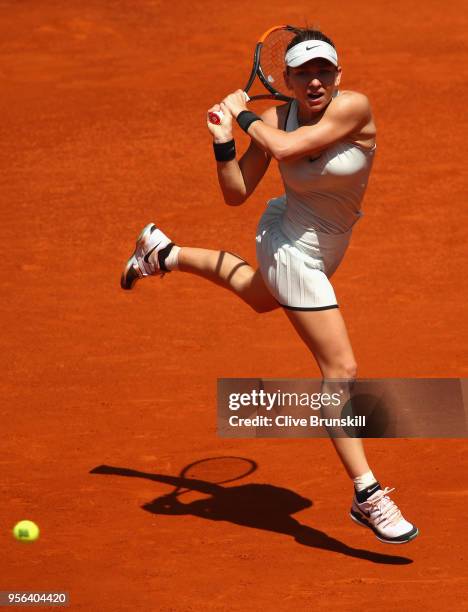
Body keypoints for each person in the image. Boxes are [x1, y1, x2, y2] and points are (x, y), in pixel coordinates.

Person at [121, 28, 418, 544]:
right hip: (289, 243)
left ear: (339, 74)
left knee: (261, 297)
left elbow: (283, 148)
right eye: (304, 72)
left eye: (324, 69)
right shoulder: (275, 118)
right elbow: (237, 193)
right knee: (340, 369)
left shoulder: (354, 108)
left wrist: (240, 117)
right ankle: (367, 493)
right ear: (287, 80)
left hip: (327, 246)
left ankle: (162, 252)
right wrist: (222, 143)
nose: (316, 80)